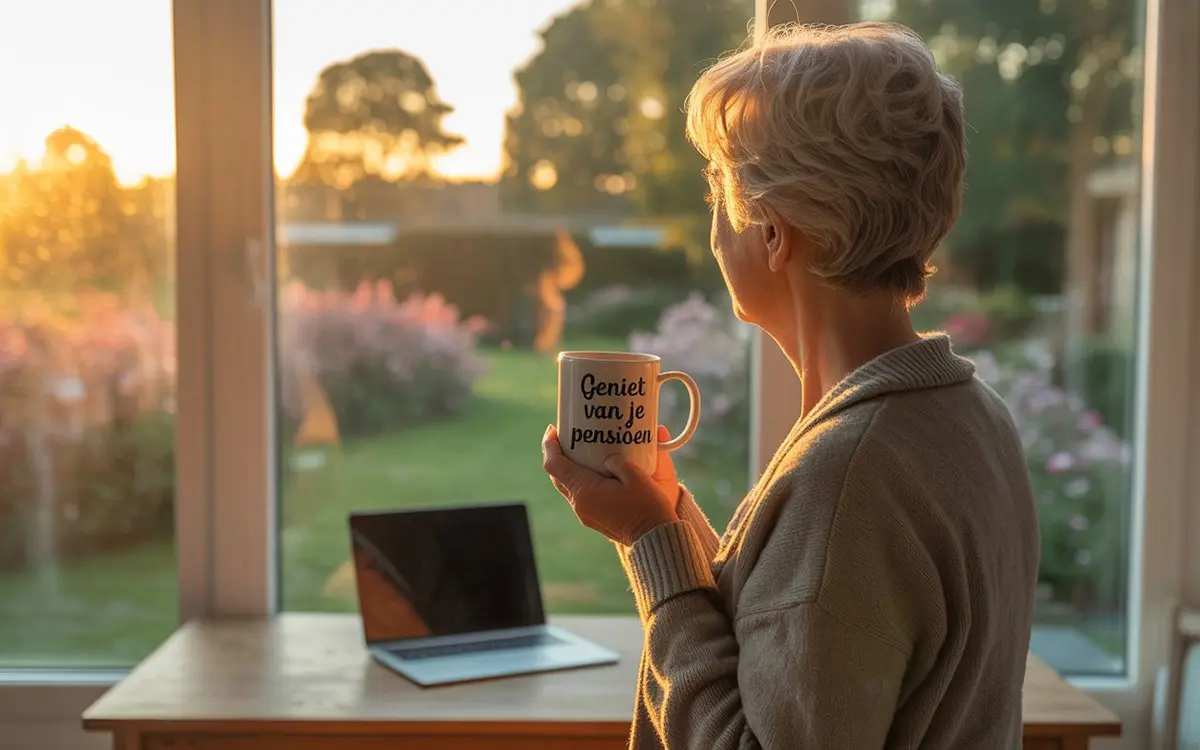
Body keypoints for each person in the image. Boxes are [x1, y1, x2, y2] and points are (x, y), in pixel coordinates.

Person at [541, 20, 1041, 750]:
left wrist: (648, 543)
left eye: (719, 192)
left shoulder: (850, 472)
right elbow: (795, 652)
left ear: (772, 233)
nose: (714, 230)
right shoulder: (969, 417)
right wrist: (665, 521)